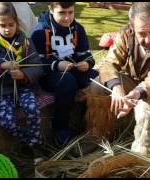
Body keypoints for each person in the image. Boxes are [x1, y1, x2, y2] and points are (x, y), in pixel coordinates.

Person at [87, 2, 150, 155]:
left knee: (147, 106)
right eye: (142, 34)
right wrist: (117, 88)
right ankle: (99, 136)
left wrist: (137, 93)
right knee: (98, 85)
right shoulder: (125, 34)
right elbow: (109, 63)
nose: (148, 39)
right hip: (135, 80)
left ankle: (142, 152)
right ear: (132, 28)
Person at [0, 2, 44, 164]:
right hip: (0, 91)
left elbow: (37, 66)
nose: (7, 29)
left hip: (24, 87)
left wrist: (23, 74)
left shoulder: (25, 41)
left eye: (11, 24)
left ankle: (35, 146)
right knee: (7, 120)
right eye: (2, 25)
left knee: (32, 108)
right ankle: (29, 141)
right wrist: (0, 66)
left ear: (17, 22)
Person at [30, 2, 99, 147]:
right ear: (51, 9)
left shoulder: (78, 28)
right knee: (67, 82)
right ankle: (60, 129)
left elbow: (86, 54)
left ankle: (90, 124)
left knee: (96, 79)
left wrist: (87, 64)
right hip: (49, 74)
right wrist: (56, 64)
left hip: (73, 70)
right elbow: (36, 62)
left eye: (70, 12)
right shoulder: (40, 31)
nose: (67, 18)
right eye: (62, 13)